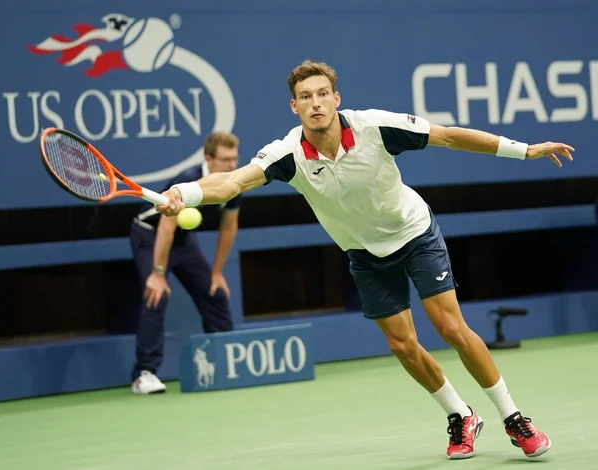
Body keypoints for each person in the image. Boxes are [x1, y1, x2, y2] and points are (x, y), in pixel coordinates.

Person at [154, 61, 574, 458]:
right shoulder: (287, 154)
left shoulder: (376, 127)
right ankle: (461, 415)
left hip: (414, 232)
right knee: (402, 345)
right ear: (294, 106)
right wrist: (185, 193)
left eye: (322, 94)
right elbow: (230, 182)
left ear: (336, 99)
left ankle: (514, 419)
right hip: (365, 252)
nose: (315, 103)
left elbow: (449, 135)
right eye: (306, 96)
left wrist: (525, 150)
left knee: (450, 327)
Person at [130, 132, 241, 394]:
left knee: (215, 293)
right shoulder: (186, 180)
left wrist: (216, 273)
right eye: (225, 160)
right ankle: (144, 374)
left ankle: (227, 362)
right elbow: (166, 228)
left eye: (234, 159)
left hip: (184, 241)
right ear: (208, 158)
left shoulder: (233, 182)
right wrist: (158, 274)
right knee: (157, 294)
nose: (231, 166)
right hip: (149, 234)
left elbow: (229, 226)